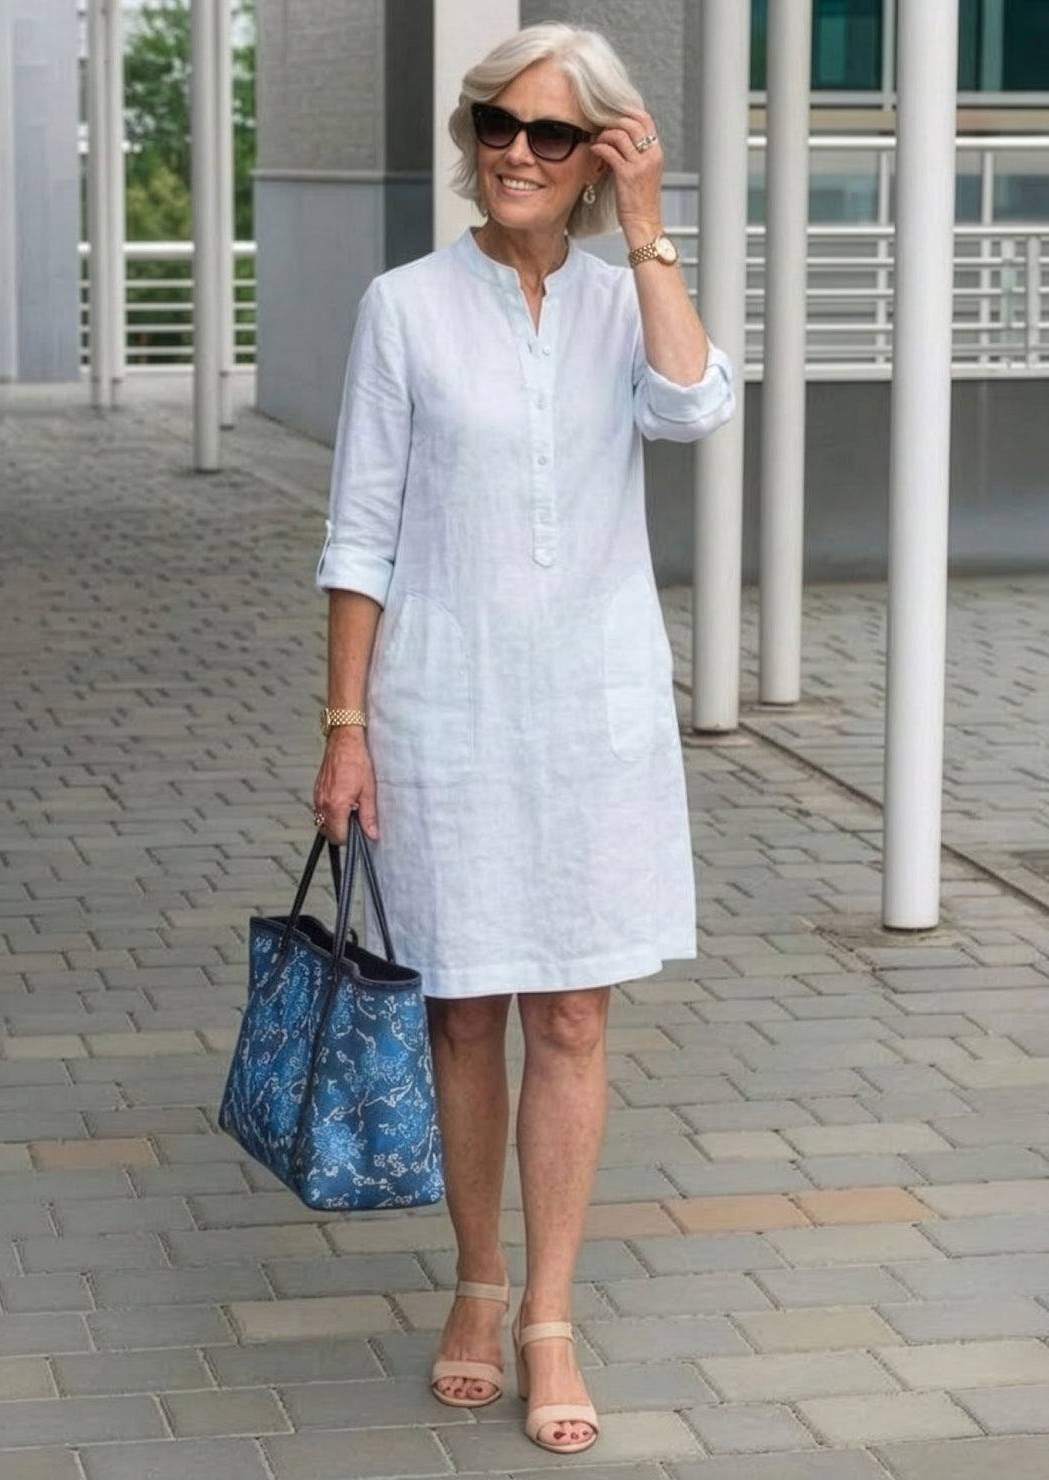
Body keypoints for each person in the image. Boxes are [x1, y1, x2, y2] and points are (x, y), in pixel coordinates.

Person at [311, 21, 735, 1456]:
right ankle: (476, 1287)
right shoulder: (404, 305)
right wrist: (345, 727)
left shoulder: (628, 301)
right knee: (461, 1008)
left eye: (553, 134)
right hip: (442, 708)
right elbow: (359, 529)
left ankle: (549, 1313)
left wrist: (649, 229)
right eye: (497, 122)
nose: (515, 151)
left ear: (598, 152)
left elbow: (689, 408)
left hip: (595, 712)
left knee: (571, 1010)